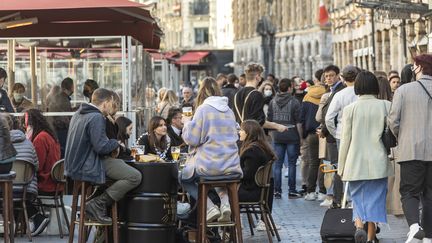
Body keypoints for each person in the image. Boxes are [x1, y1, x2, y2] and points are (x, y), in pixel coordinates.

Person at [65, 88, 142, 224]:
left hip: (74, 166)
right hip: (89, 165)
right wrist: (116, 143)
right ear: (105, 103)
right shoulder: (97, 117)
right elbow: (101, 147)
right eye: (112, 104)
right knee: (134, 176)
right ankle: (97, 204)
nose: (113, 108)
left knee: (119, 168)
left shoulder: (78, 114)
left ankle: (91, 202)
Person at [338, 71, 392, 243]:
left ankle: (359, 226)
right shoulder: (385, 105)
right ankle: (370, 237)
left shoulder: (350, 109)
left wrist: (341, 166)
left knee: (358, 199)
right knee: (376, 200)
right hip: (378, 160)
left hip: (355, 161)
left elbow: (345, 140)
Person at [181, 77, 242, 222]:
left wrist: (186, 123)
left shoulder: (203, 109)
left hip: (209, 165)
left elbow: (192, 139)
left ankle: (210, 207)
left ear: (201, 92)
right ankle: (225, 203)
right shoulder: (228, 110)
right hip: (230, 165)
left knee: (183, 178)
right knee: (219, 176)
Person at [388, 54, 432, 242]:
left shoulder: (404, 90)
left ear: (419, 67)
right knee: (430, 195)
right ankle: (429, 236)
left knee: (409, 192)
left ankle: (414, 226)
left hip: (411, 149)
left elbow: (393, 120)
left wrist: (403, 135)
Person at [5, 113, 48, 236]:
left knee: (7, 193)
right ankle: (35, 218)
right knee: (14, 193)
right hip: (27, 190)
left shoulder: (2, 143)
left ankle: (19, 222)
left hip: (7, 189)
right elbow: (36, 166)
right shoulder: (28, 142)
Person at [267, 78, 303, 199]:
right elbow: (298, 122)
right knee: (292, 164)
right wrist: (301, 137)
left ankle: (277, 191)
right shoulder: (294, 102)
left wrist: (272, 135)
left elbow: (269, 120)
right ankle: (292, 190)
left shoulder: (272, 102)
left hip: (277, 134)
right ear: (289, 88)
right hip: (292, 134)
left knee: (278, 165)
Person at [238, 119, 276, 230]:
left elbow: (247, 174)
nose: (239, 132)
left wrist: (233, 174)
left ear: (249, 133)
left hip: (253, 192)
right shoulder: (262, 147)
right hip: (261, 192)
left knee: (222, 195)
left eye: (241, 130)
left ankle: (230, 226)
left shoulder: (252, 151)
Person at [233, 63, 287, 132]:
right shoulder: (256, 94)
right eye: (260, 75)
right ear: (257, 77)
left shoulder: (237, 94)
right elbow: (259, 121)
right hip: (251, 136)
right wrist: (278, 126)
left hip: (239, 135)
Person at [301, 75, 326, 201]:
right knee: (324, 163)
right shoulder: (327, 94)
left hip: (311, 134)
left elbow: (302, 117)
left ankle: (310, 191)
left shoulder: (307, 97)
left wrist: (303, 135)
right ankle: (322, 191)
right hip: (324, 133)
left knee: (313, 163)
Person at [325, 65, 360, 148]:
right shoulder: (362, 93)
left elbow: (329, 118)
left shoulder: (339, 95)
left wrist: (336, 132)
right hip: (360, 133)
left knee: (343, 160)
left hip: (342, 133)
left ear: (342, 78)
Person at [48, 77, 74, 158]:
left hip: (56, 128)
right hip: (60, 130)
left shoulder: (59, 97)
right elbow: (66, 117)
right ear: (71, 87)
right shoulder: (64, 100)